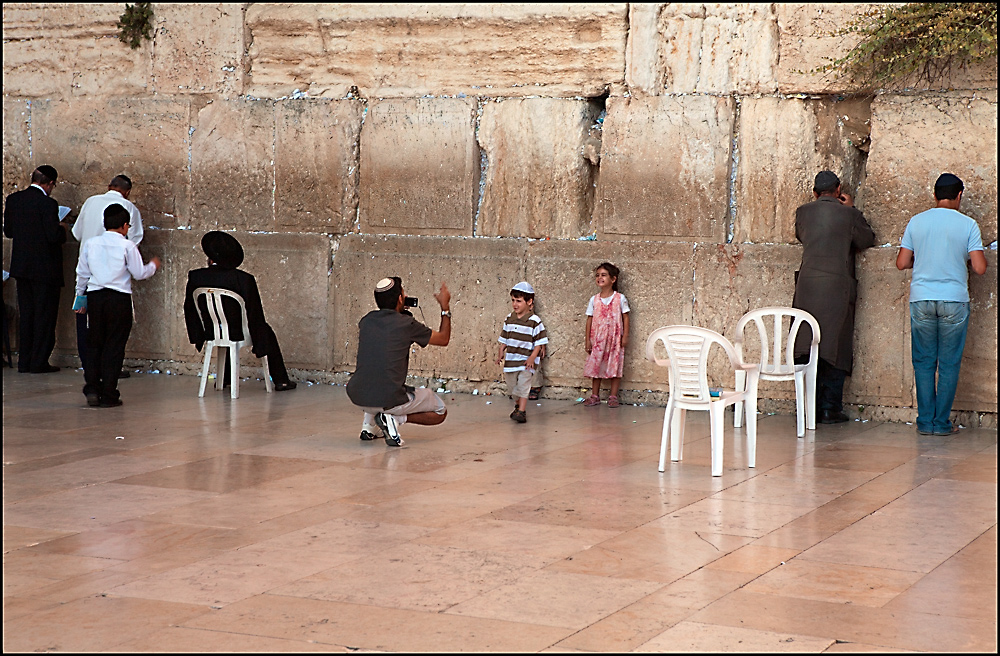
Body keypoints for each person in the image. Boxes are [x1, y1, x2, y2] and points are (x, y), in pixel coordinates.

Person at [896, 173, 987, 436]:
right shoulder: (968, 224)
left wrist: (922, 261)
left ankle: (925, 421)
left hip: (922, 298)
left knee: (923, 361)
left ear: (934, 195)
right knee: (948, 363)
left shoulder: (917, 222)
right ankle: (942, 423)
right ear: (959, 196)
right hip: (954, 301)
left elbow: (902, 262)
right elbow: (979, 268)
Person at [792, 170, 875, 424]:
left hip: (807, 288)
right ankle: (829, 407)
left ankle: (807, 406)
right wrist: (852, 209)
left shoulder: (803, 212)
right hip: (837, 287)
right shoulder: (849, 214)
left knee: (807, 344)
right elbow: (866, 239)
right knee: (835, 346)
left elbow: (801, 235)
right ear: (838, 190)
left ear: (815, 193)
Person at [183, 231, 297, 392]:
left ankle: (225, 378)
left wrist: (198, 335)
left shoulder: (196, 277)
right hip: (239, 331)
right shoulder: (243, 279)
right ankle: (281, 380)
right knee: (266, 331)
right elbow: (255, 312)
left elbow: (189, 307)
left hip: (212, 330)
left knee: (227, 328)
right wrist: (260, 341)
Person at [347, 277, 451, 447]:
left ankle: (369, 426)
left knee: (375, 375)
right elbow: (443, 338)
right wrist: (445, 308)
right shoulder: (407, 324)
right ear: (400, 299)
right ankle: (394, 419)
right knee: (440, 411)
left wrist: (399, 311)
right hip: (388, 398)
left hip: (357, 395)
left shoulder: (366, 321)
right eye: (403, 293)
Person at [74, 204, 160, 406]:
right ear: (124, 226)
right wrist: (153, 266)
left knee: (94, 343)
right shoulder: (127, 246)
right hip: (118, 299)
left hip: (95, 297)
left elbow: (82, 273)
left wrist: (80, 297)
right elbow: (139, 273)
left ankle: (93, 387)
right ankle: (109, 393)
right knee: (114, 345)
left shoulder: (91, 244)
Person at [72, 174, 144, 379]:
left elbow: (77, 233)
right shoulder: (129, 208)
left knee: (89, 330)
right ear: (127, 191)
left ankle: (91, 372)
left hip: (90, 279)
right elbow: (135, 240)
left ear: (109, 186)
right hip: (115, 282)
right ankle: (110, 371)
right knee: (114, 333)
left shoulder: (90, 202)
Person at [3, 165, 69, 373]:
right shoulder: (48, 204)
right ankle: (39, 362)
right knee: (44, 315)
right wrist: (62, 229)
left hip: (22, 268)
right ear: (49, 183)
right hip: (45, 269)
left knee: (27, 314)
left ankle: (24, 361)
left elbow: (9, 231)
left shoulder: (13, 200)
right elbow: (53, 236)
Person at [496, 281, 548, 423]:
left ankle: (522, 412)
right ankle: (518, 406)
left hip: (526, 362)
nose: (515, 304)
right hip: (512, 360)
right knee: (513, 388)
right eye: (513, 300)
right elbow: (505, 337)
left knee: (524, 385)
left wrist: (532, 357)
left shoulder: (535, 321)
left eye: (519, 301)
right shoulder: (509, 319)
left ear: (529, 301)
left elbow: (539, 342)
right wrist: (501, 350)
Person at [584, 262, 630, 407]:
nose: (599, 278)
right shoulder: (594, 299)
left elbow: (626, 317)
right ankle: (595, 395)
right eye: (597, 275)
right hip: (598, 339)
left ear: (613, 279)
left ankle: (613, 396)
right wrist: (587, 340)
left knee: (615, 365)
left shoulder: (620, 298)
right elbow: (589, 320)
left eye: (604, 275)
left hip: (615, 338)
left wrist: (625, 336)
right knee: (596, 366)